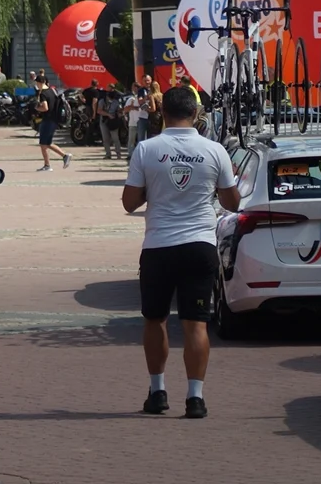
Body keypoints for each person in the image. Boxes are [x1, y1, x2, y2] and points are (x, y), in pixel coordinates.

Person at [121, 87, 240, 419]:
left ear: (162, 113)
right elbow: (232, 203)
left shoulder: (147, 149)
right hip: (200, 245)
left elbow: (129, 203)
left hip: (159, 246)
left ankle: (157, 391)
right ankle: (195, 398)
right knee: (196, 324)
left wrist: (154, 188)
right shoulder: (214, 150)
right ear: (195, 114)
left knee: (154, 320)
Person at [32, 75, 72, 171]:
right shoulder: (52, 91)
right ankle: (65, 156)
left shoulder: (43, 94)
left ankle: (47, 165)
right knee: (48, 143)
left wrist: (37, 108)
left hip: (47, 120)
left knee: (43, 144)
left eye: (37, 83)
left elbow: (45, 108)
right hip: (54, 120)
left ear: (39, 83)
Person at [98, 85, 124, 160]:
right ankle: (108, 154)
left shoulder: (116, 102)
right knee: (106, 138)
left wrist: (120, 113)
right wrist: (108, 114)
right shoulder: (102, 101)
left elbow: (119, 110)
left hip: (113, 121)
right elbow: (99, 111)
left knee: (115, 138)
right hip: (104, 120)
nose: (111, 100)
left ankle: (118, 154)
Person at [123, 82, 146, 161]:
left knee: (141, 140)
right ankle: (130, 154)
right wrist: (132, 107)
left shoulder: (143, 98)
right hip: (133, 122)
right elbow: (125, 109)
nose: (133, 89)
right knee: (131, 140)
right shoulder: (131, 99)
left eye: (134, 87)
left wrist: (135, 107)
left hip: (141, 121)